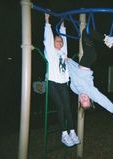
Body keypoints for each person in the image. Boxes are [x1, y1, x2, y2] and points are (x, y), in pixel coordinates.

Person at [66, 29, 113, 120]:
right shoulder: (90, 92)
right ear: (90, 99)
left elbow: (73, 73)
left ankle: (108, 39)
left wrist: (69, 62)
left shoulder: (75, 90)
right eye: (87, 100)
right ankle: (108, 39)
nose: (84, 98)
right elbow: (102, 100)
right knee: (86, 34)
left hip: (83, 64)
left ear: (79, 101)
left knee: (87, 34)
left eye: (83, 101)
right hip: (87, 63)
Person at [43, 14, 80, 147]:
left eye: (60, 41)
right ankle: (64, 134)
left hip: (63, 84)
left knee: (68, 108)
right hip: (52, 83)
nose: (59, 43)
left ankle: (72, 132)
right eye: (56, 41)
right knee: (61, 107)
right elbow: (48, 38)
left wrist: (63, 25)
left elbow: (64, 41)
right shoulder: (50, 51)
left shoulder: (63, 52)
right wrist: (47, 21)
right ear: (53, 43)